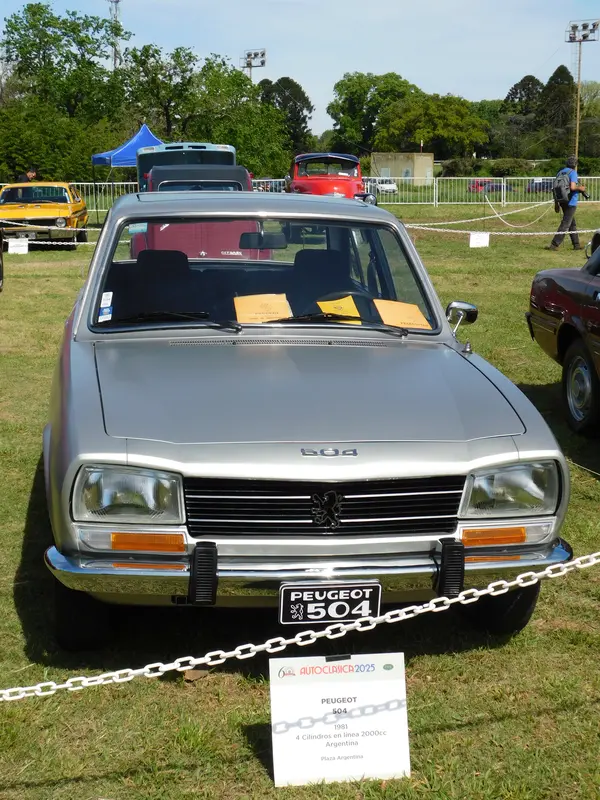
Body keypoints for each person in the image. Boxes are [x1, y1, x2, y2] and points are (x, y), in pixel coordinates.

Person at [546, 156, 587, 251]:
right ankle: (554, 244)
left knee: (572, 223)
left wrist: (556, 204)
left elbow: (555, 189)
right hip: (571, 201)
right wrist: (580, 188)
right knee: (565, 224)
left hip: (562, 200)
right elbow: (572, 188)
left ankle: (576, 245)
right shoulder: (573, 173)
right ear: (575, 165)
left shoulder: (560, 172)